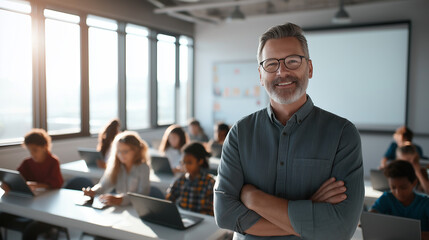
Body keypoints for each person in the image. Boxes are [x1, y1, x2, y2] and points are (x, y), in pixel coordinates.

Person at [213, 22, 364, 239]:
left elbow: (341, 228)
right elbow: (226, 215)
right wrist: (311, 209)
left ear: (309, 68)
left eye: (292, 61)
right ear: (260, 74)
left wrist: (254, 198)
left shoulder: (343, 134)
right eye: (271, 64)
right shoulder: (240, 133)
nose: (282, 72)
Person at [0, 129, 64, 240]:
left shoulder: (53, 162)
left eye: (35, 150)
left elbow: (57, 183)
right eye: (30, 151)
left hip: (47, 208)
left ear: (45, 147)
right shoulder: (27, 162)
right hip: (28, 205)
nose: (32, 154)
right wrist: (7, 184)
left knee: (30, 231)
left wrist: (38, 185)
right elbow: (16, 177)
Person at [83, 131, 150, 206]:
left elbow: (142, 194)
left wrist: (121, 199)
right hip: (120, 208)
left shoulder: (143, 168)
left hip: (136, 208)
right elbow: (104, 185)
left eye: (125, 151)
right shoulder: (116, 166)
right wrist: (93, 191)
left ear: (136, 150)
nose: (121, 155)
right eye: (118, 151)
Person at [370, 160, 429, 240]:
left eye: (403, 187)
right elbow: (371, 216)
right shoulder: (387, 198)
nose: (398, 192)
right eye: (393, 187)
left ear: (414, 183)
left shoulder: (425, 204)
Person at [166, 142, 216, 216]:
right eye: (184, 162)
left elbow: (215, 210)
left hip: (205, 220)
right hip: (185, 218)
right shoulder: (180, 181)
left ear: (200, 161)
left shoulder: (210, 183)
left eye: (189, 162)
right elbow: (168, 200)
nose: (185, 166)